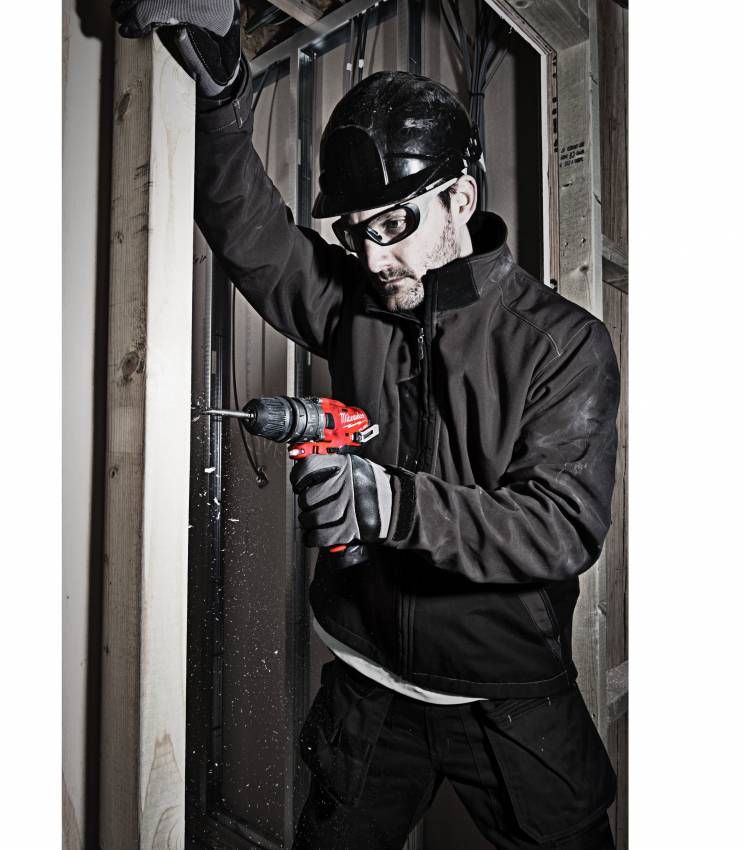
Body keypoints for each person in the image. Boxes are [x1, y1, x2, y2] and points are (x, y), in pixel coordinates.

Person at [113, 2, 621, 848]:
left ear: (460, 198)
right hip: (367, 683)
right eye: (355, 234)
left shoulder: (563, 343)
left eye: (392, 226)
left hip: (509, 697)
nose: (375, 258)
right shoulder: (359, 302)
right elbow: (254, 236)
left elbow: (562, 526)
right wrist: (220, 99)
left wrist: (391, 503)